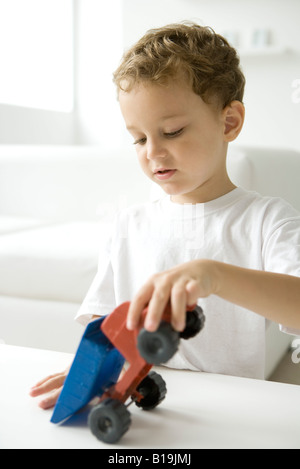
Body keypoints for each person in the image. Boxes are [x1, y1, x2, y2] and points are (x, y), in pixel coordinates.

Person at [30, 22, 300, 410]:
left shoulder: (266, 220)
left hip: (233, 410)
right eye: (139, 138)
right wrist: (86, 374)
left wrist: (214, 274)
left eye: (171, 131)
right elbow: (103, 320)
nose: (152, 152)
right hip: (148, 409)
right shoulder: (129, 225)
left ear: (229, 122)